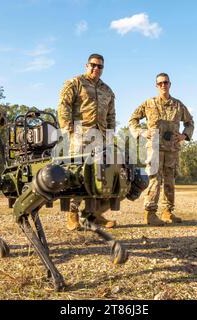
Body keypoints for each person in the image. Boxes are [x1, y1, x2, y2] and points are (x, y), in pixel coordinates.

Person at [57, 53, 117, 231]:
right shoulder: (75, 83)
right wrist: (68, 128)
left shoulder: (108, 91)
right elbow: (64, 105)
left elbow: (111, 115)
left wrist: (110, 135)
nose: (96, 68)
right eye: (93, 65)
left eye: (100, 66)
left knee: (98, 177)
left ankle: (92, 216)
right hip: (80, 136)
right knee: (77, 176)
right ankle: (72, 215)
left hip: (101, 138)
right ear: (86, 65)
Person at [129, 73, 194, 226]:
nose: (163, 85)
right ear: (156, 86)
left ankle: (168, 212)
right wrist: (142, 132)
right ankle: (150, 213)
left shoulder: (178, 105)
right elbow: (133, 119)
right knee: (154, 180)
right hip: (154, 148)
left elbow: (190, 122)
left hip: (172, 149)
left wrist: (185, 135)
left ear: (170, 84)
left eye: (165, 82)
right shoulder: (149, 103)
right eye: (160, 83)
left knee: (170, 181)